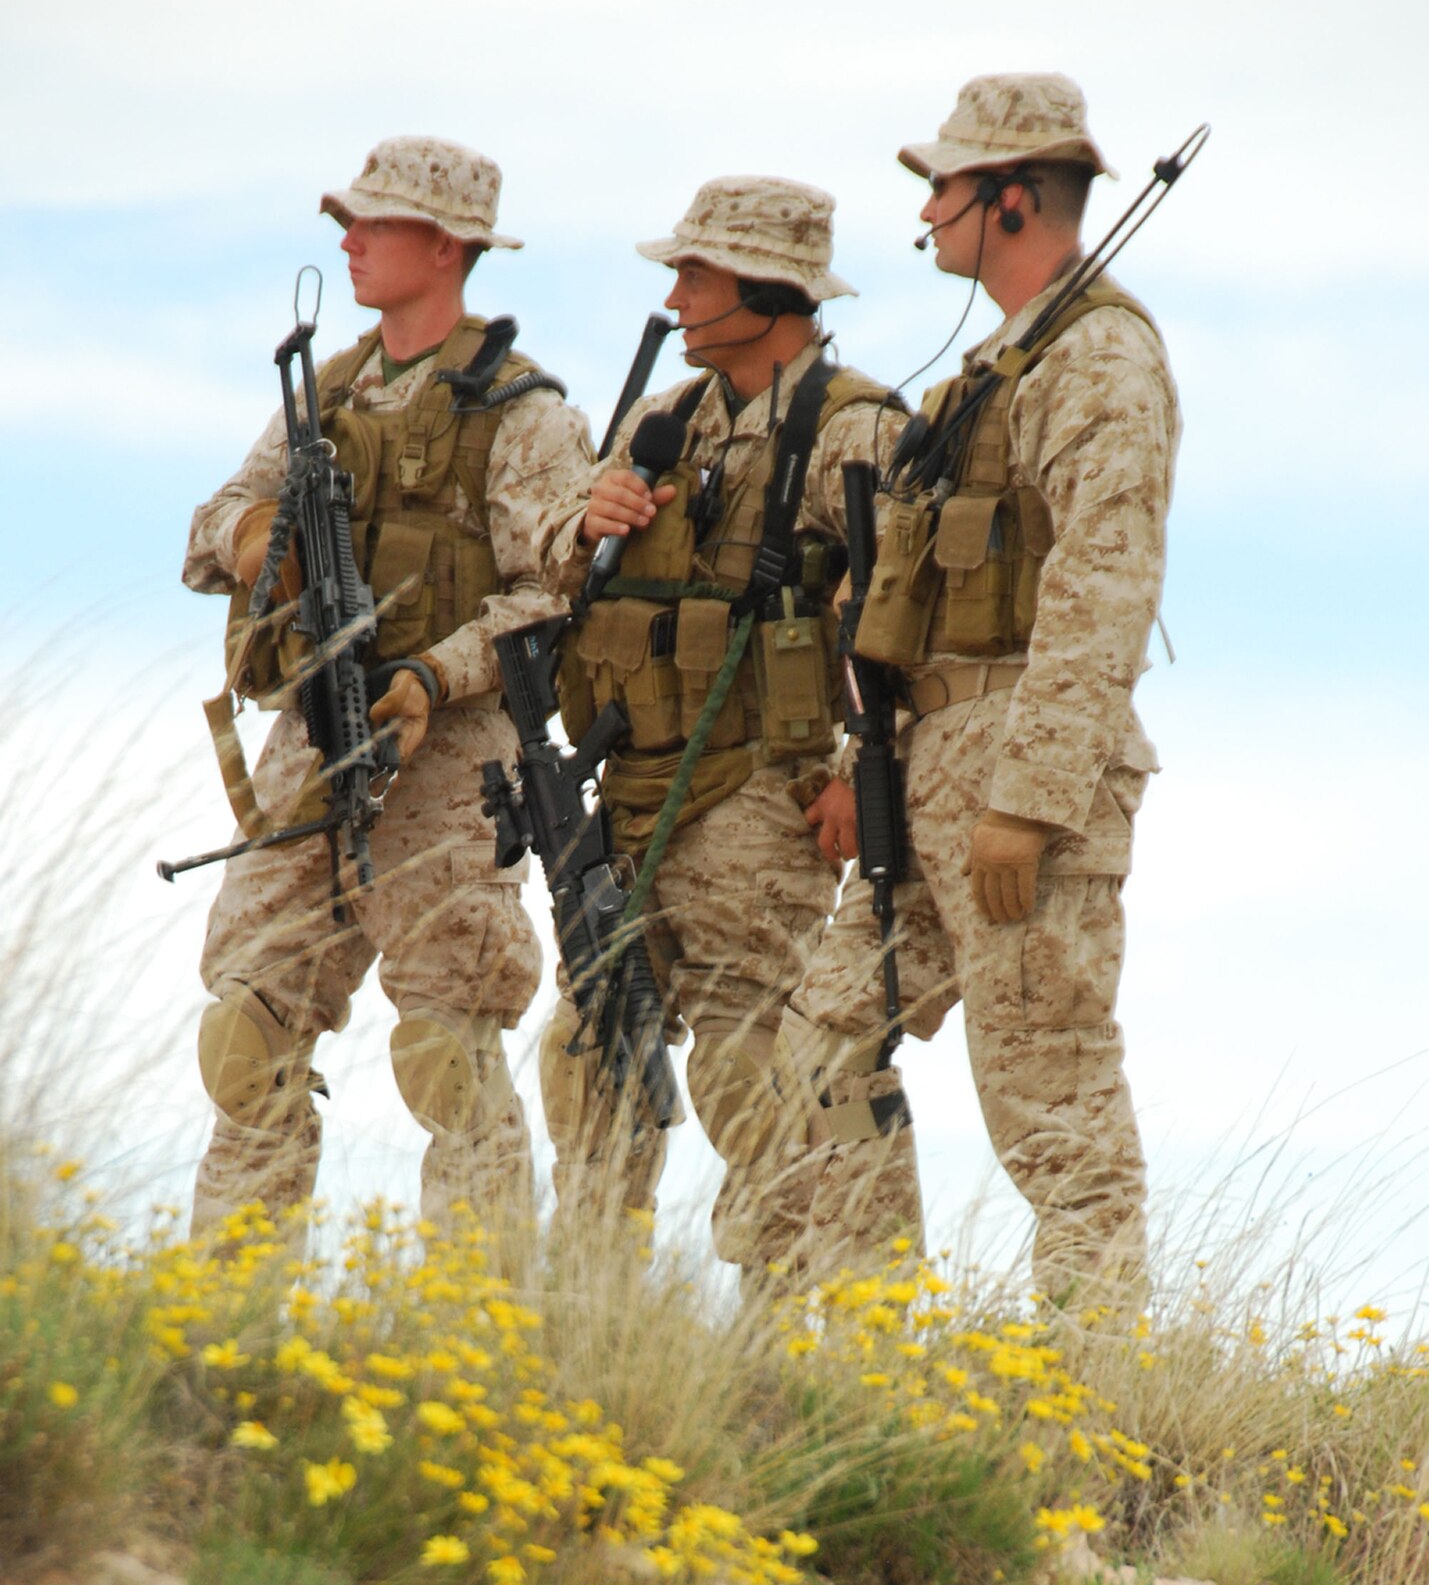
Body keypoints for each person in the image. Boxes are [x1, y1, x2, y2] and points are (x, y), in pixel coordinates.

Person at [775, 74, 1180, 1302]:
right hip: (922, 776)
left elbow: (1103, 585)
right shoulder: (982, 379)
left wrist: (1033, 796)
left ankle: (1095, 1394)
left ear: (1010, 200)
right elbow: (916, 610)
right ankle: (866, 1346)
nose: (927, 211)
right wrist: (864, 767)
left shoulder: (1099, 355)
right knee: (823, 1049)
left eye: (943, 187)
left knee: (1049, 1103)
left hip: (1019, 777)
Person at [182, 137, 590, 1235]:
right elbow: (207, 525)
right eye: (346, 223)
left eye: (377, 223)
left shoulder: (520, 410)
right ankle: (225, 1315)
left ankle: (478, 1322)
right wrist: (262, 531)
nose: (350, 241)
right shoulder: (328, 391)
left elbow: (554, 596)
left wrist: (431, 674)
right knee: (245, 1035)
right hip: (313, 736)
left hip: (449, 758)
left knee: (446, 1051)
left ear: (447, 245)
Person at [534, 176, 904, 1275]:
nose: (678, 294)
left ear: (766, 289)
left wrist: (859, 767)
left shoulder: (857, 427)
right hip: (633, 791)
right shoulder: (659, 426)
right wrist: (581, 521)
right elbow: (564, 579)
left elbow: (903, 620)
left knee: (748, 1066)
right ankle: (590, 1322)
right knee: (588, 1049)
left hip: (757, 790)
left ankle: (793, 1332)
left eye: (697, 274)